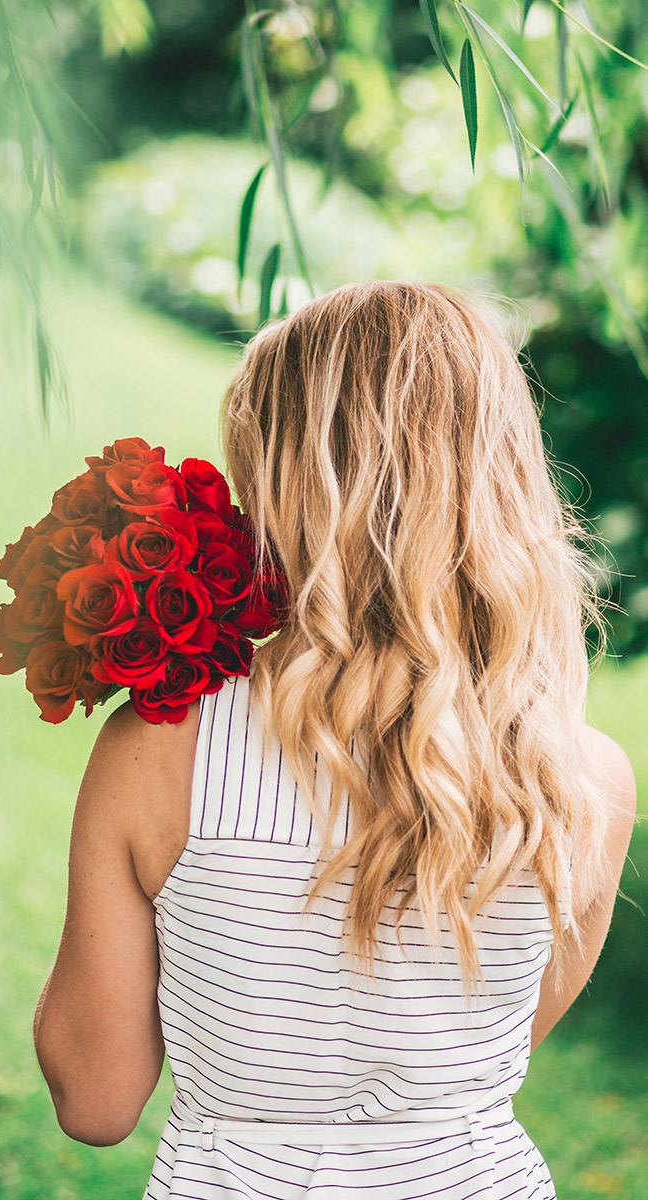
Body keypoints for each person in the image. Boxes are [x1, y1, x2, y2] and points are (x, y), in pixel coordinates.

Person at [33, 281, 636, 1200]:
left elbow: (97, 1099)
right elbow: (484, 1059)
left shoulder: (164, 750)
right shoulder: (583, 778)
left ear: (280, 481)